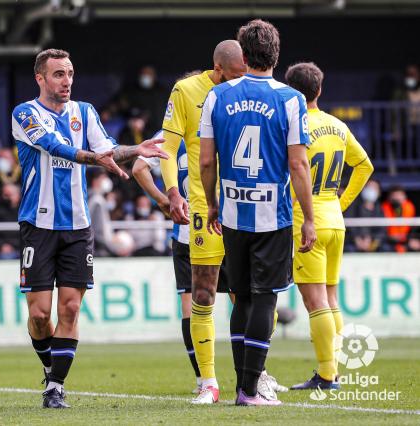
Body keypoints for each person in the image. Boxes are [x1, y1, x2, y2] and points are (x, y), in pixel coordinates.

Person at [12, 48, 167, 409]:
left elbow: (108, 150)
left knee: (68, 310)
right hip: (38, 223)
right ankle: (52, 367)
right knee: (39, 314)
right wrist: (94, 158)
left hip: (79, 226)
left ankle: (55, 387)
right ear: (40, 78)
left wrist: (134, 149)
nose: (66, 81)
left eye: (69, 73)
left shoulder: (85, 112)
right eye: (57, 75)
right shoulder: (25, 113)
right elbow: (54, 146)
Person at [199, 20, 317, 406]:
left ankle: (241, 386)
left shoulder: (217, 97)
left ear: (244, 55)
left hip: (232, 213)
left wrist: (213, 202)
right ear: (276, 54)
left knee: (241, 297)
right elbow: (298, 166)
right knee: (266, 299)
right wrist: (310, 218)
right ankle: (251, 390)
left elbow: (204, 161)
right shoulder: (291, 99)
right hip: (274, 216)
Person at [160, 40, 246, 404]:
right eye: (237, 73)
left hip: (247, 208)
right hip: (203, 208)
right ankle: (208, 381)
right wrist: (171, 192)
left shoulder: (251, 91)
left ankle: (254, 376)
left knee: (250, 297)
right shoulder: (186, 90)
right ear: (218, 67)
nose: (243, 80)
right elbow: (166, 146)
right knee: (203, 295)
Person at [284, 62, 374, 390]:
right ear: (319, 90)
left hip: (306, 221)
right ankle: (332, 370)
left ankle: (326, 375)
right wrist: (341, 203)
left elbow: (294, 168)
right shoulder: (337, 125)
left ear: (291, 91)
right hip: (334, 220)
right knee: (331, 298)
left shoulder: (294, 126)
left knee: (314, 301)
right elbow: (364, 165)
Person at [133, 130, 203, 392]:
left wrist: (163, 200)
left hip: (185, 230)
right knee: (239, 298)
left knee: (191, 308)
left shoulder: (168, 133)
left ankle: (203, 379)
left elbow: (139, 167)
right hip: (222, 225)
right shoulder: (220, 115)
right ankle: (253, 375)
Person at [343, 179, 390, 252]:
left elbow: (382, 229)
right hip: (354, 242)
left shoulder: (380, 208)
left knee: (386, 249)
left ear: (379, 192)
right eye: (368, 187)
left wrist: (373, 242)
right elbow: (348, 225)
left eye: (374, 188)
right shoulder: (353, 206)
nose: (371, 190)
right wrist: (356, 239)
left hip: (373, 242)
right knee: (348, 249)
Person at [382, 185, 416, 252]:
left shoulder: (409, 207)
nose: (397, 198)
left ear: (405, 197)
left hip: (406, 240)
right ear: (389, 197)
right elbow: (382, 229)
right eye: (394, 195)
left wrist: (411, 239)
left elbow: (414, 228)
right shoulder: (384, 207)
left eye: (399, 195)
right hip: (389, 240)